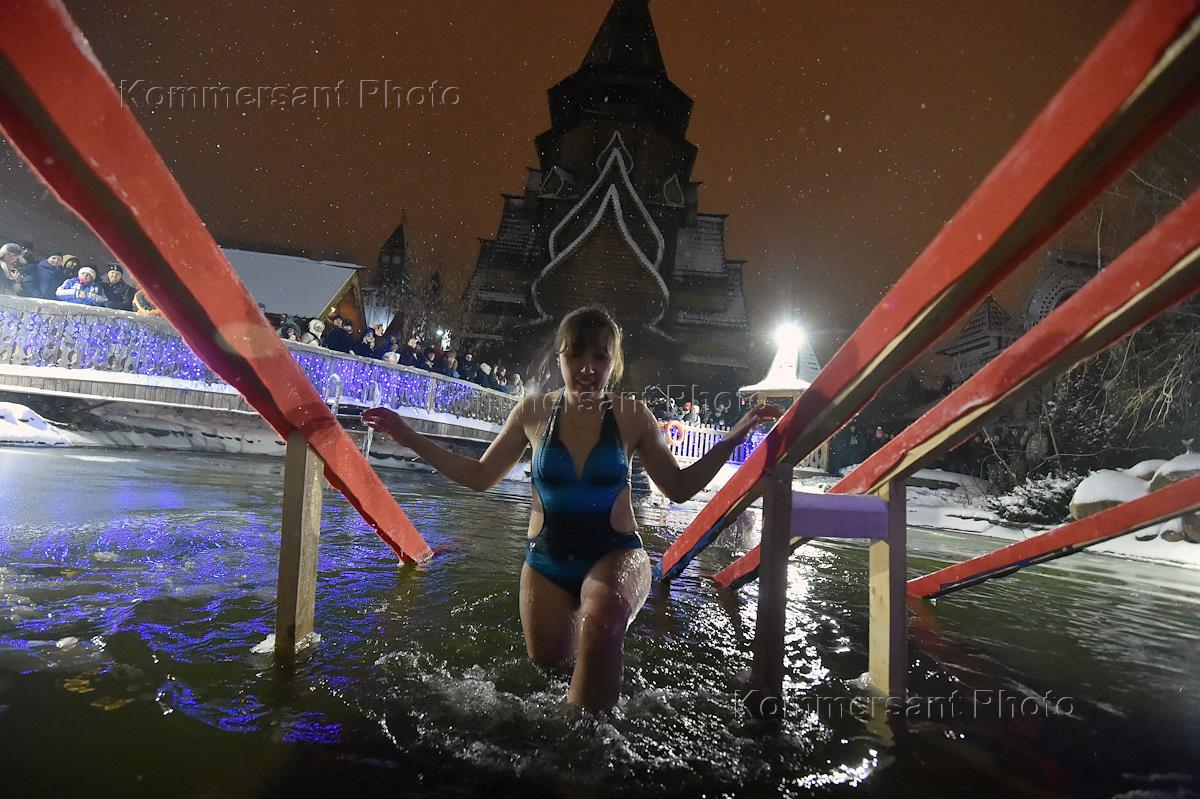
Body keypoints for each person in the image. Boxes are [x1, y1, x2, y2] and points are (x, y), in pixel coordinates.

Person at [361, 305, 779, 710]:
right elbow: (480, 476)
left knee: (601, 624)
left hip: (615, 553)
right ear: (560, 356)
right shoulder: (533, 412)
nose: (587, 367)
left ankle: (593, 744)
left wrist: (731, 440)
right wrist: (408, 436)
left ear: (614, 363)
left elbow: (679, 488)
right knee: (549, 670)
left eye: (600, 357)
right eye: (576, 354)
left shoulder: (632, 416)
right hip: (547, 561)